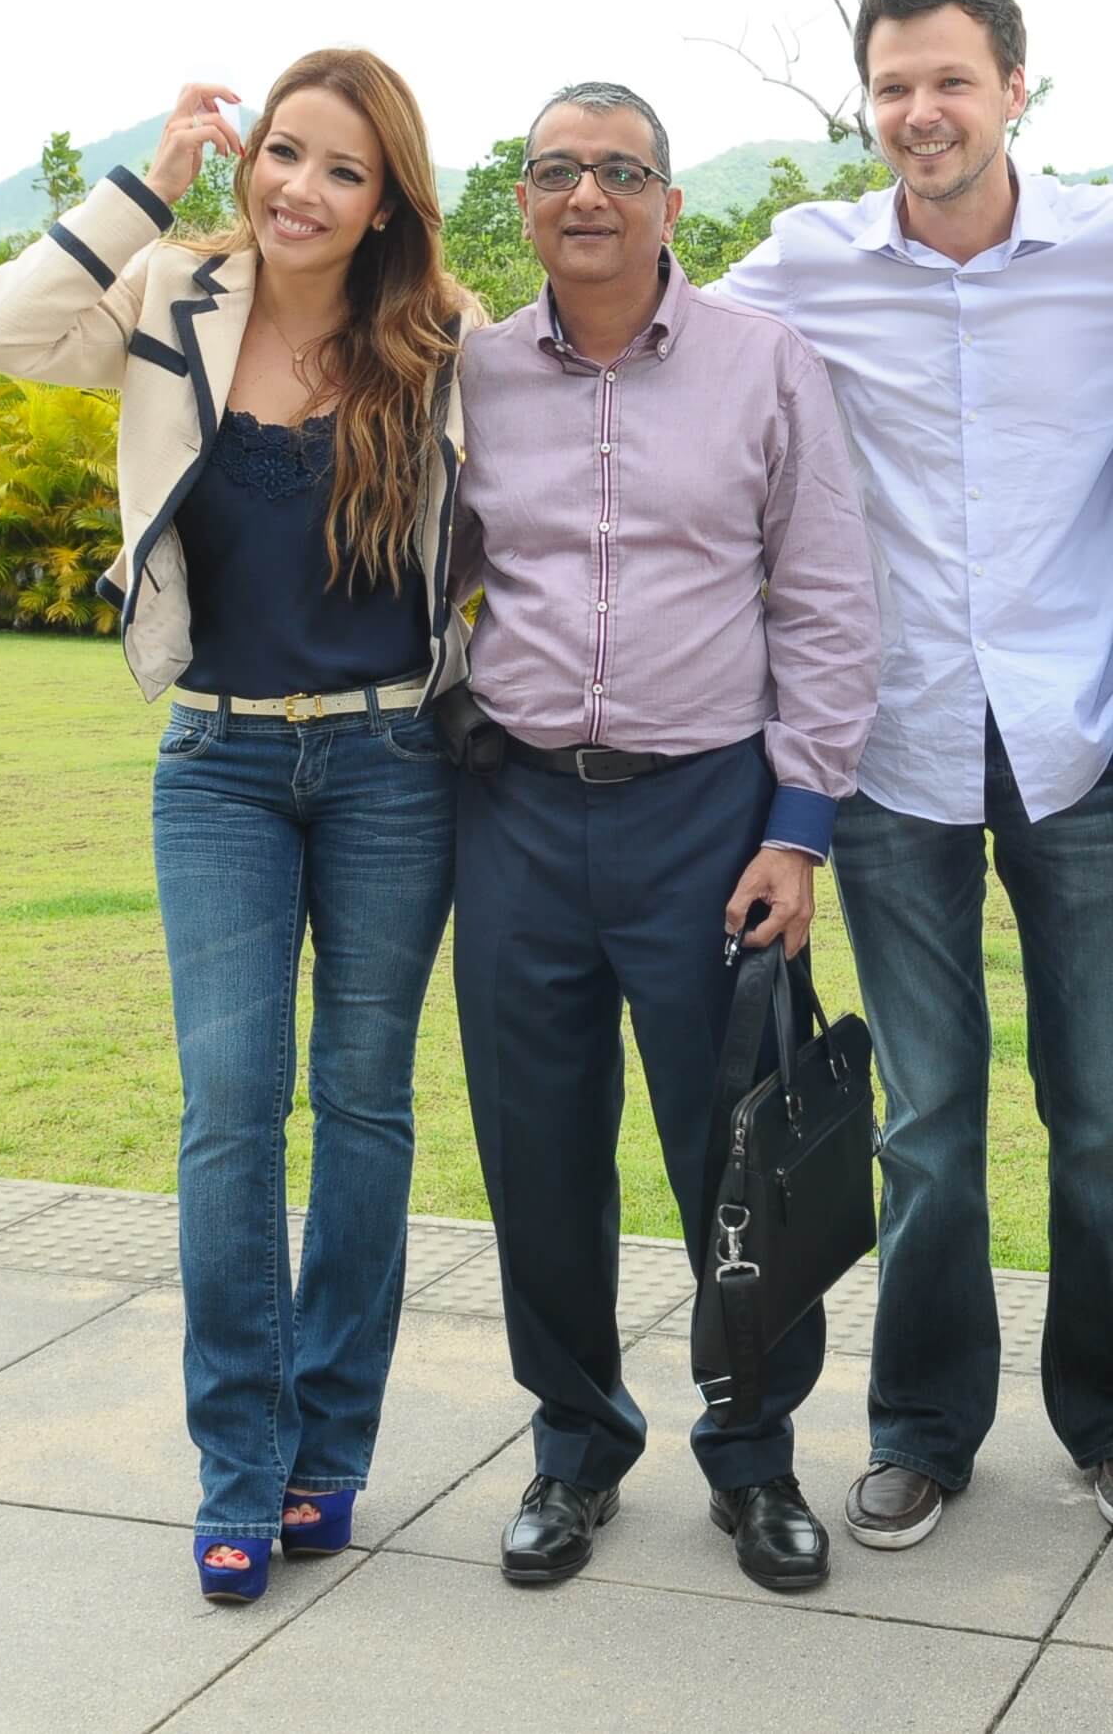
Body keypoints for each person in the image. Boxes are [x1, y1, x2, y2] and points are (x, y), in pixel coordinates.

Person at [0, 51, 479, 1602]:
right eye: (283, 155)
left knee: (367, 1107)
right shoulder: (170, 296)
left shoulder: (440, 345)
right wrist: (154, 179)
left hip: (394, 766)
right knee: (228, 1111)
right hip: (221, 769)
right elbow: (2, 330)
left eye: (340, 170)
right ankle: (237, 1467)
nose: (300, 191)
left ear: (387, 201)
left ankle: (332, 1453)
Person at [448, 80, 880, 1593]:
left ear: (670, 203)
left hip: (710, 825)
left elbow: (827, 597)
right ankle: (575, 1449)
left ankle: (754, 1459)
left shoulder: (767, 368)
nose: (587, 196)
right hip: (512, 816)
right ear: (523, 201)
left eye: (619, 170)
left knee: (738, 1161)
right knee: (538, 1158)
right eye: (555, 170)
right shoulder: (473, 373)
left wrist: (802, 828)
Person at [721, 0, 1113, 1549]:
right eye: (893, 86)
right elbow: (637, 336)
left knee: (1100, 1116)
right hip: (891, 755)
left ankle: (1100, 1419)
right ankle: (924, 1429)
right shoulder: (805, 265)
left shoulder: (1102, 249)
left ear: (1018, 85)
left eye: (952, 79)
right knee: (928, 1118)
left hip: (1081, 746)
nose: (921, 112)